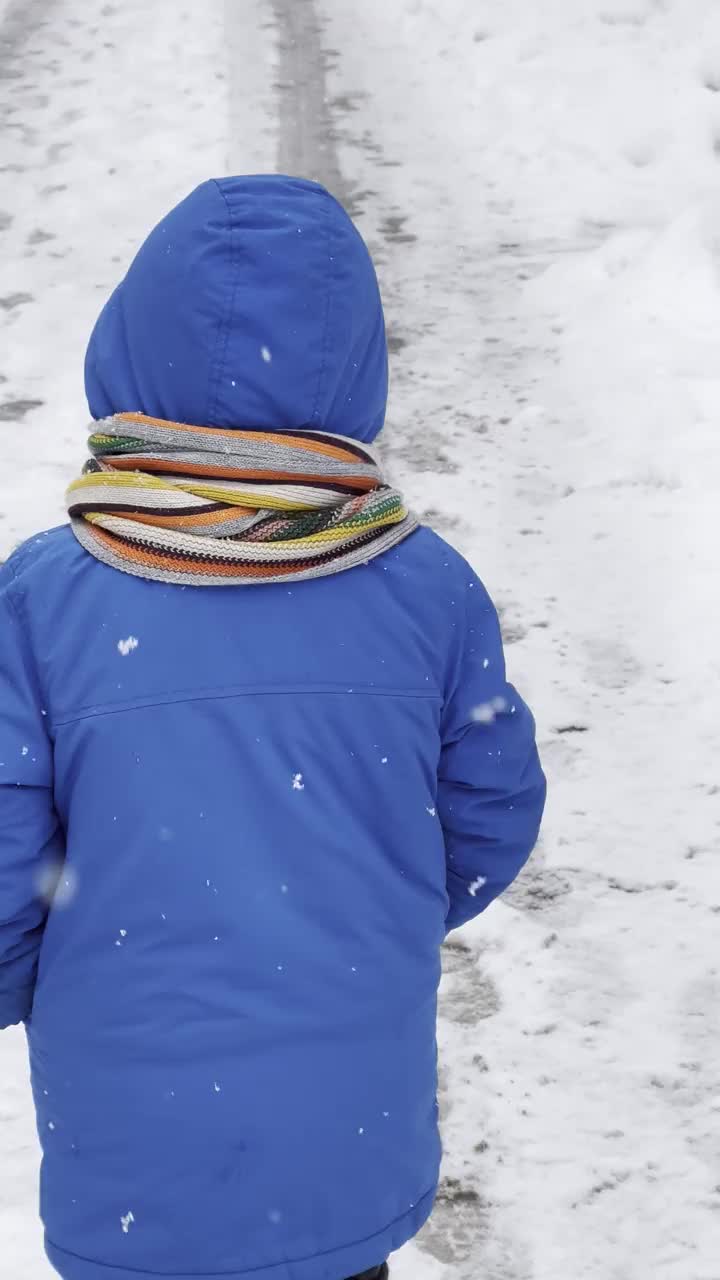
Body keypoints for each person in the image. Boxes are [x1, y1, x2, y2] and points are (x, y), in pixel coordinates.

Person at [0, 175, 546, 1280]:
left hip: (132, 1129)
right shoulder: (426, 587)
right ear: (353, 367)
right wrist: (377, 914)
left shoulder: (43, 601)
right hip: (347, 1117)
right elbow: (491, 805)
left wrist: (36, 979)